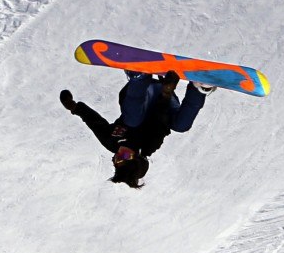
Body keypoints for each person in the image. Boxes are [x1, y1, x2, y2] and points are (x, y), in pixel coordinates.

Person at [60, 70, 214, 188]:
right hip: (162, 100)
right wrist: (166, 93)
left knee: (132, 119)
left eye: (116, 159)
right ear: (138, 155)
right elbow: (160, 119)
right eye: (125, 156)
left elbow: (94, 122)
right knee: (181, 126)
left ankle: (139, 77)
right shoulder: (149, 144)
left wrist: (73, 106)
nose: (120, 152)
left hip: (140, 94)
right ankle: (199, 88)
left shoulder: (110, 141)